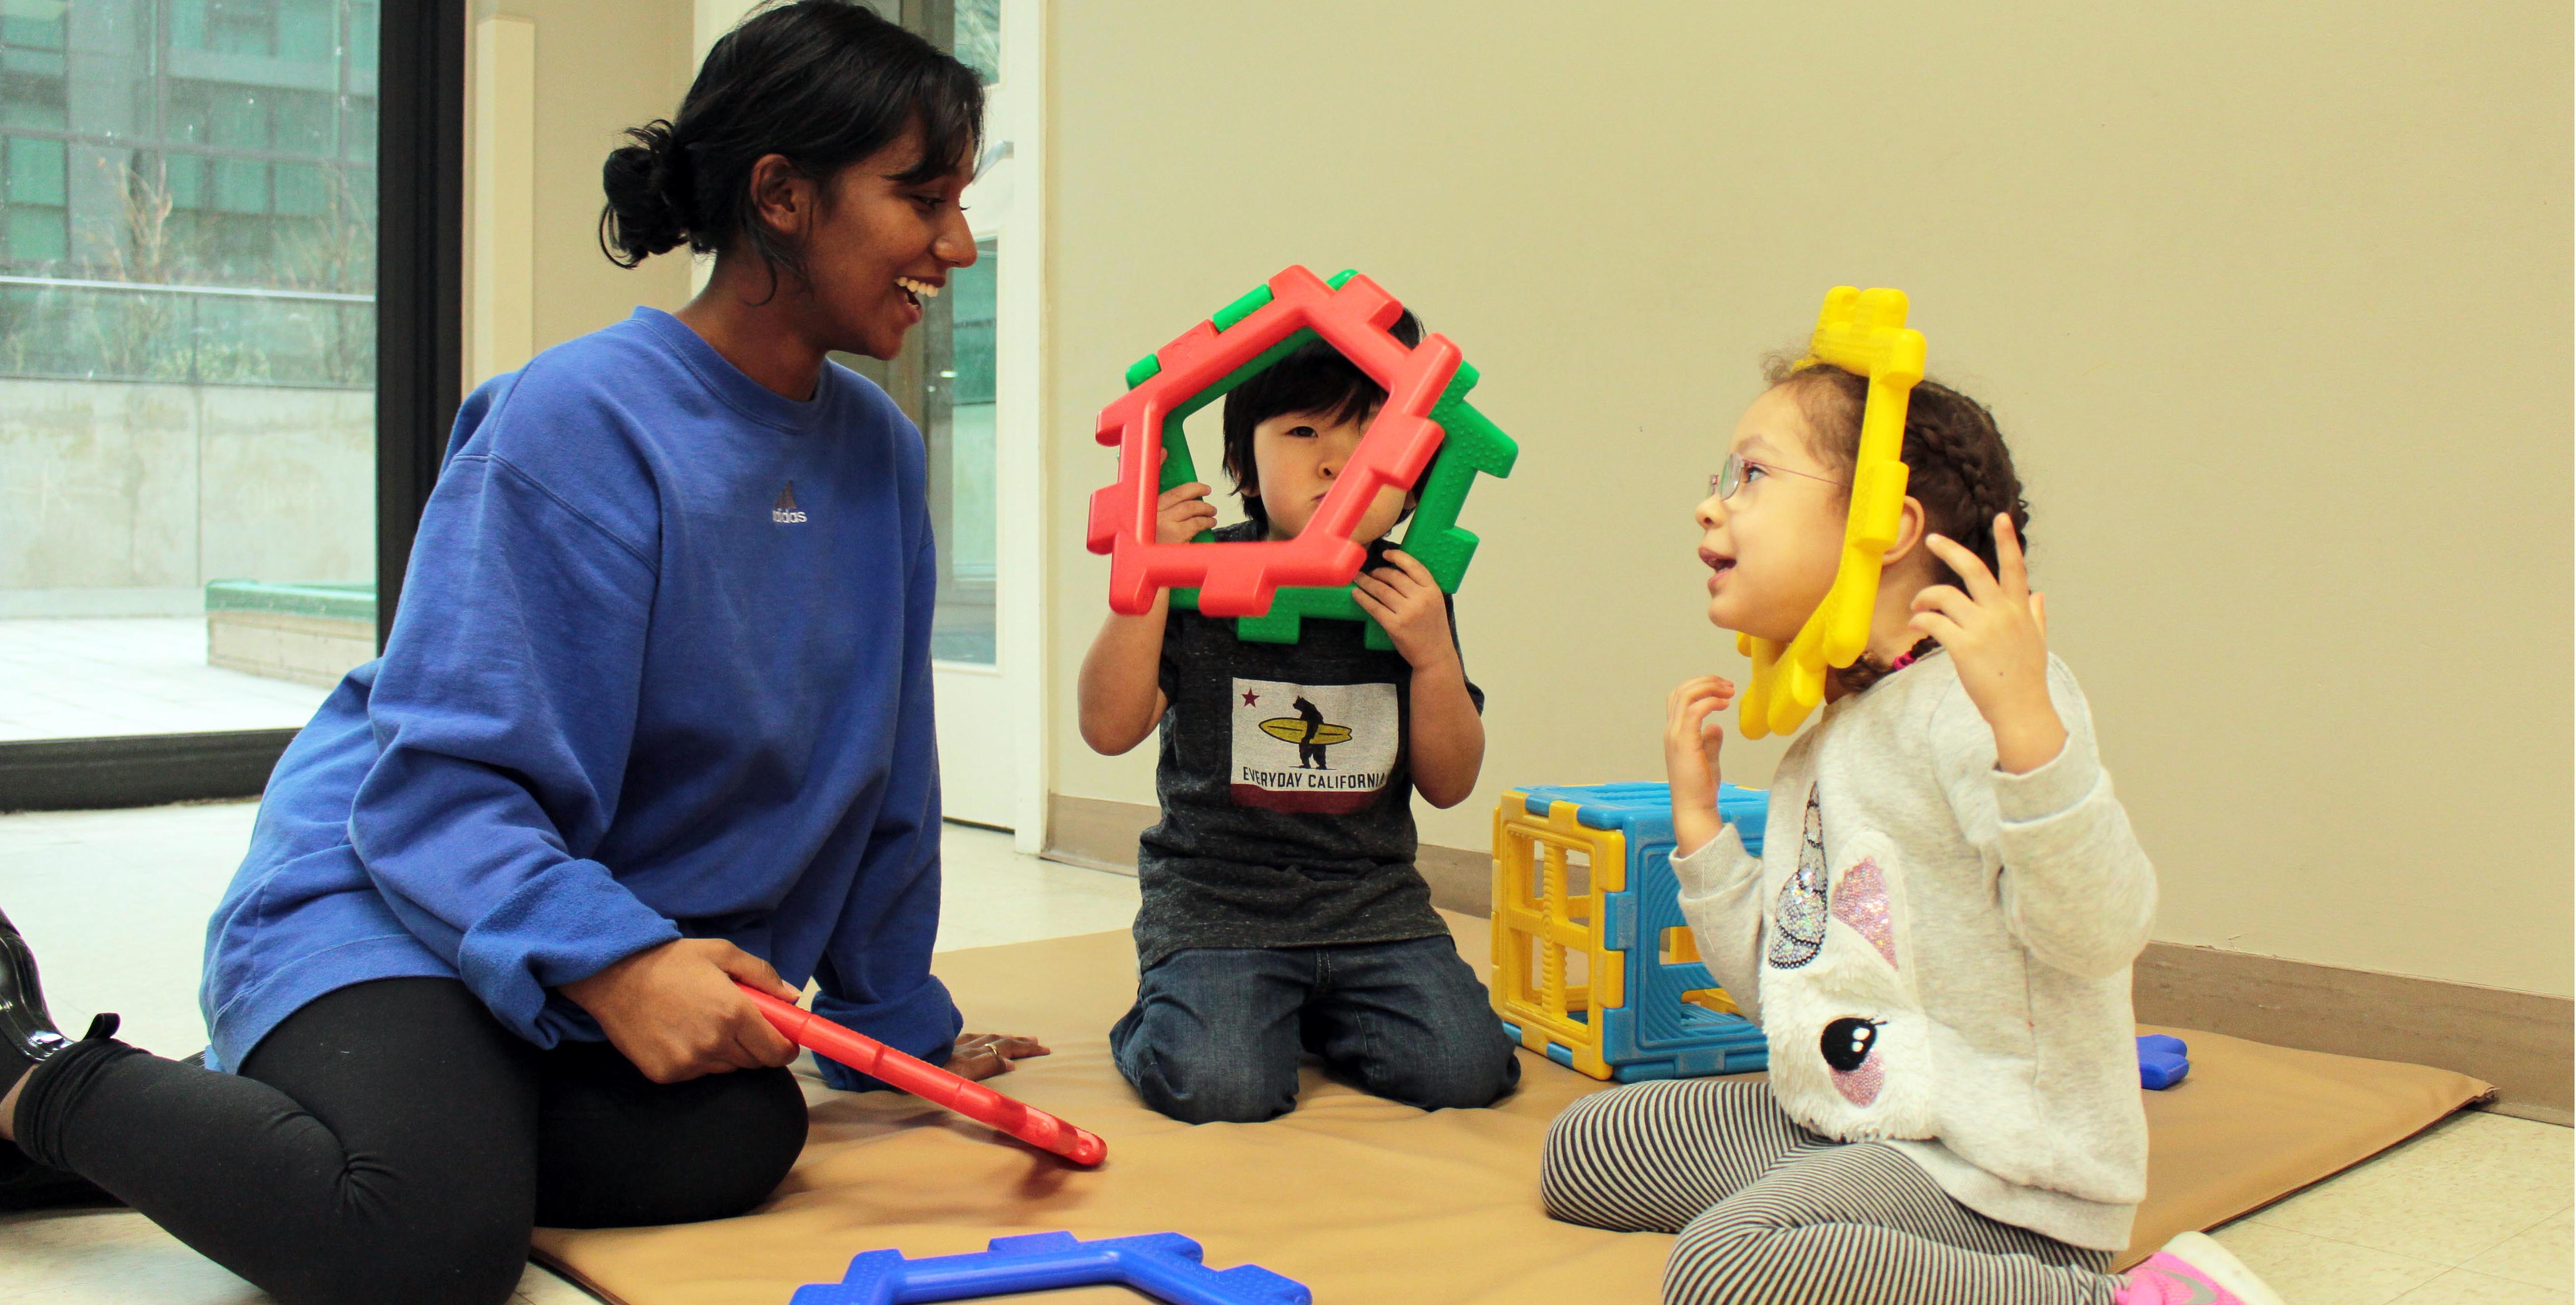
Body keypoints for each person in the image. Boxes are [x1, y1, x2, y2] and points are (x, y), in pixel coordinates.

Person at [0, 6, 1045, 1303]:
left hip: (569, 932)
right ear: (782, 194)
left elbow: (883, 777)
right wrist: (616, 961)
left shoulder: (880, 454)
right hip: (391, 894)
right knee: (423, 1244)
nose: (955, 243)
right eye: (921, 197)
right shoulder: (576, 420)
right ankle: (31, 1071)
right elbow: (438, 792)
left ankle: (281, 1118)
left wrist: (898, 1036)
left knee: (745, 1131)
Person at [1539, 354, 2287, 1305]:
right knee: (1589, 1148)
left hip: (1998, 1176)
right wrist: (1701, 829)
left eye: (1752, 475)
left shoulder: (1990, 700)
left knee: (1724, 1267)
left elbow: (2098, 931)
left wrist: (2028, 728)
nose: (1711, 505)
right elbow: (1787, 990)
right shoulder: (1828, 741)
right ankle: (1837, 1221)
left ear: (1885, 527)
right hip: (1861, 1115)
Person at [1076, 316, 1520, 1125]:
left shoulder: (1414, 592)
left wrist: (1432, 659)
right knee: (1222, 1085)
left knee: (1469, 1066)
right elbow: (1107, 727)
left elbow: (1451, 785)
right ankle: (1180, 1013)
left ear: (1414, 474)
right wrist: (1147, 582)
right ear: (1243, 463)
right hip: (1219, 906)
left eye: (1370, 435)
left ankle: (1311, 1012)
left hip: (1372, 907)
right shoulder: (1202, 577)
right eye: (1305, 429)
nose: (1336, 460)